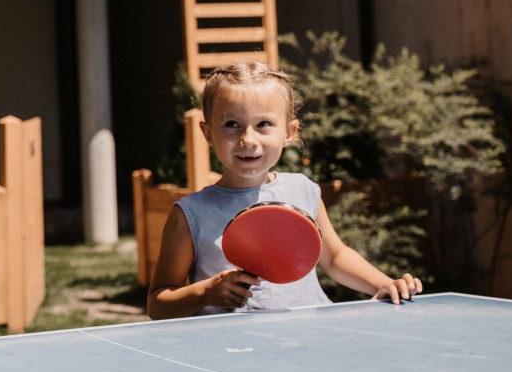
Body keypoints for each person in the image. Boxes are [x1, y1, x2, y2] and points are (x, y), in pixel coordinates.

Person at [147, 61, 422, 319]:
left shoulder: (303, 190)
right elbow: (158, 304)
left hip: (310, 338)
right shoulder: (190, 214)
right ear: (208, 133)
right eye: (232, 125)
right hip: (233, 351)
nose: (248, 139)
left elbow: (335, 257)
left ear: (289, 132)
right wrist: (204, 293)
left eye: (263, 124)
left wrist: (386, 284)